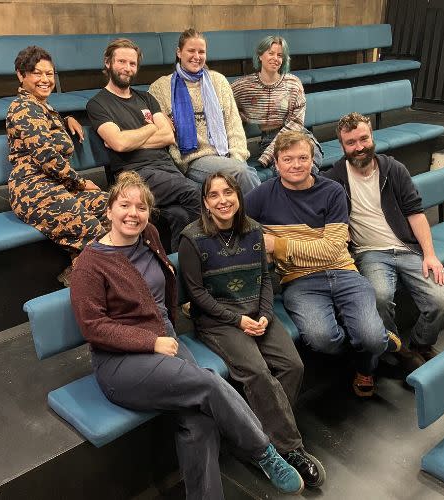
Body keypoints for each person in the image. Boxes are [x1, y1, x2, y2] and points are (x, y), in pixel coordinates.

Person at [69, 171, 304, 499]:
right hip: (120, 361)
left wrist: (164, 330)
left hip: (164, 339)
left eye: (141, 207)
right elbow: (93, 328)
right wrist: (150, 341)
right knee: (207, 382)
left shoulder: (148, 235)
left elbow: (159, 293)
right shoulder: (90, 265)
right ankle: (263, 453)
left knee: (200, 422)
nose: (133, 214)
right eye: (124, 205)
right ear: (108, 210)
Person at [178, 172, 325, 488]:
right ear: (205, 203)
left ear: (238, 196)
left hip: (257, 315)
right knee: (258, 372)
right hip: (218, 321)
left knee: (293, 365)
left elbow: (264, 280)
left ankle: (254, 435)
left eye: (228, 192)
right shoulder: (192, 238)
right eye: (214, 195)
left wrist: (267, 316)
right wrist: (237, 320)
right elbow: (196, 295)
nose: (223, 200)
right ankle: (290, 450)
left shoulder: (254, 230)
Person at [245, 131, 401, 398]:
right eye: (288, 159)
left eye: (303, 158)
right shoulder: (262, 195)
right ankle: (364, 342)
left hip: (344, 272)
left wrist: (278, 245)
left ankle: (367, 363)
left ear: (313, 160)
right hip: (299, 281)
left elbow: (332, 250)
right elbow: (235, 226)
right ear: (276, 164)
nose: (296, 165)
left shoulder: (331, 190)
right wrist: (260, 239)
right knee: (323, 340)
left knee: (373, 339)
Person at [323, 112, 444, 371]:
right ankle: (396, 351)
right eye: (351, 142)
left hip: (407, 248)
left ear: (372, 137)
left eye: (363, 139)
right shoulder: (334, 179)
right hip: (369, 253)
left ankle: (418, 346)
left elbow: (415, 214)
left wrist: (429, 254)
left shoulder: (393, 169)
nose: (359, 147)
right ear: (342, 146)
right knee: (380, 297)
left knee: (442, 303)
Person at [86, 38, 201, 251]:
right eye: (121, 61)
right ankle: (205, 255)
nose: (127, 68)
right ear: (108, 63)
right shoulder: (98, 104)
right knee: (194, 192)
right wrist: (150, 128)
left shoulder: (146, 98)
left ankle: (177, 265)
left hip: (166, 169)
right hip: (135, 175)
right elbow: (119, 144)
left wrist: (132, 139)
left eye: (132, 64)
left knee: (180, 215)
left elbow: (168, 136)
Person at [6, 45, 107, 283]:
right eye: (37, 73)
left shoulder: (44, 108)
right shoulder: (22, 108)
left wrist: (66, 119)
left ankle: (77, 277)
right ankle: (95, 286)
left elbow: (46, 127)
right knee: (94, 231)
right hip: (33, 190)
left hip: (58, 186)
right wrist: (81, 183)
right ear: (21, 76)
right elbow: (47, 157)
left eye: (49, 74)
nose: (45, 79)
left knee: (112, 209)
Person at [149, 28, 260, 194]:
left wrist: (237, 158)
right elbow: (161, 132)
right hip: (194, 159)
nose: (197, 56)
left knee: (241, 171)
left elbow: (234, 125)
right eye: (191, 51)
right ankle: (266, 217)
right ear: (179, 52)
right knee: (243, 174)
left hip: (226, 157)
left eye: (201, 51)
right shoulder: (161, 87)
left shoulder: (218, 81)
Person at [231, 35, 323, 171]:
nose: (275, 58)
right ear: (260, 56)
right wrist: (241, 116)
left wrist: (268, 155)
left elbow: (296, 124)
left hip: (298, 134)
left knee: (310, 166)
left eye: (280, 55)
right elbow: (225, 102)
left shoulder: (293, 83)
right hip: (269, 139)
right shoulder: (244, 86)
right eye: (271, 53)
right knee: (287, 170)